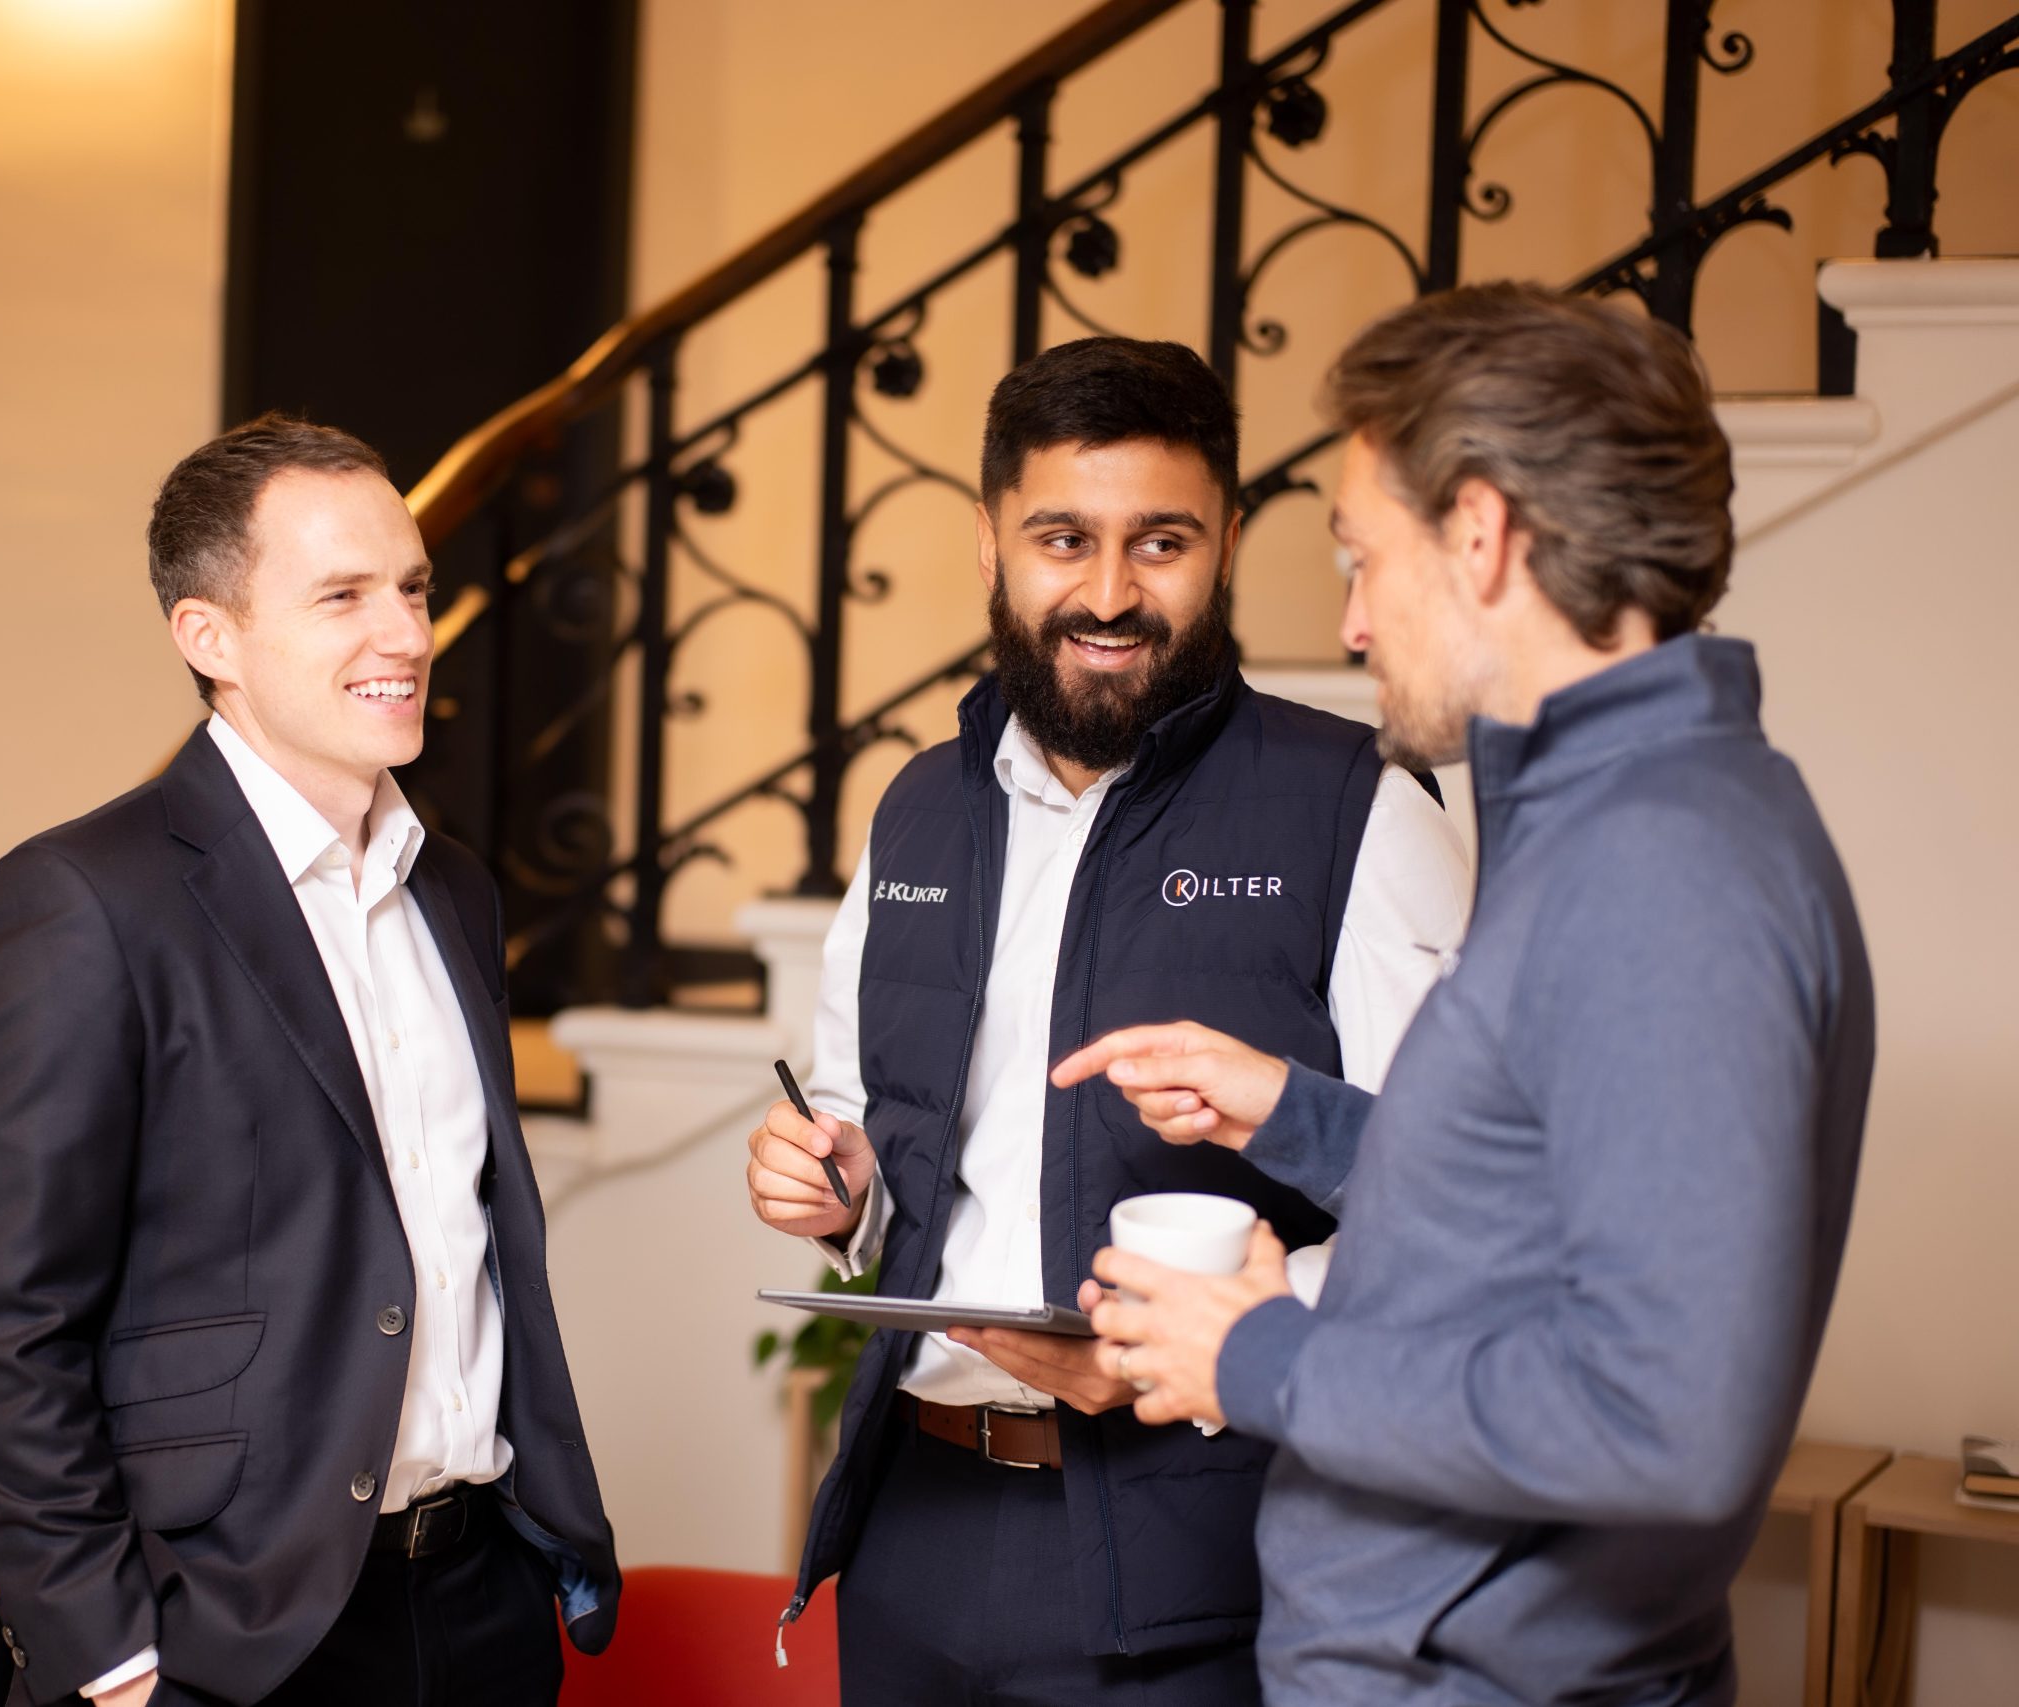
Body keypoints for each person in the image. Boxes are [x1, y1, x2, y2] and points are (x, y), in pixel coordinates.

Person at [1060, 285, 1875, 1705]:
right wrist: (1296, 1118)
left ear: (1483, 534)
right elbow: (1550, 1205)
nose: (1356, 624)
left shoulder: (1666, 872)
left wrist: (1262, 1359)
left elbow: (1665, 1419)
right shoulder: (1622, 824)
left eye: (1366, 560)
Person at [744, 338, 1473, 1704]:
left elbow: (1457, 1203)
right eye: (1063, 538)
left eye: (1162, 543)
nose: (1109, 592)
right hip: (915, 1527)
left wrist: (1186, 1362)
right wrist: (839, 1189)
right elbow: (883, 1148)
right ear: (988, 542)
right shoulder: (915, 811)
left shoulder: (1359, 810)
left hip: (1195, 1553)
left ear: (1230, 544)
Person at [0, 416, 618, 1707]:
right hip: (232, 1637)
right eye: (344, 596)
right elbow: (3, 1331)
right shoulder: (82, 901)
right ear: (212, 637)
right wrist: (110, 1657)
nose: (406, 635)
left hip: (481, 1605)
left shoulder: (455, 892)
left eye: (411, 590)